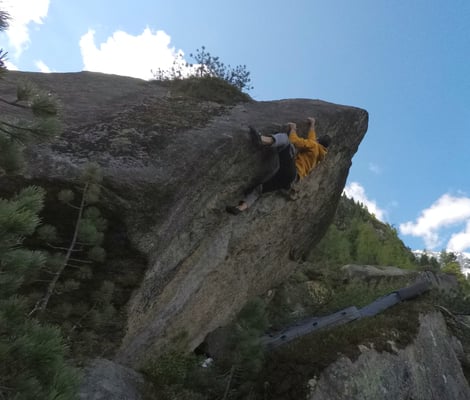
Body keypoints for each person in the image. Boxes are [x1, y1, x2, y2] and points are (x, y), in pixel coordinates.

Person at [226, 117, 330, 215]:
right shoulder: (319, 154)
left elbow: (294, 141)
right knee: (259, 189)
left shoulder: (314, 145)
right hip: (290, 180)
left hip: (292, 170)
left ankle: (261, 139)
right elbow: (312, 139)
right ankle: (240, 208)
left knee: (285, 140)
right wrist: (312, 125)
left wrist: (293, 129)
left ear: (318, 140)